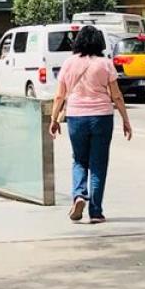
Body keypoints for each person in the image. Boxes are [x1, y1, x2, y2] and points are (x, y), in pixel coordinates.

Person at [48, 25, 132, 224]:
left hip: (76, 117)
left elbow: (59, 95)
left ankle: (79, 195)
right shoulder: (105, 64)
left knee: (79, 160)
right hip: (101, 117)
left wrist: (54, 119)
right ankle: (95, 212)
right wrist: (125, 120)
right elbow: (116, 95)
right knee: (98, 164)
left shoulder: (69, 63)